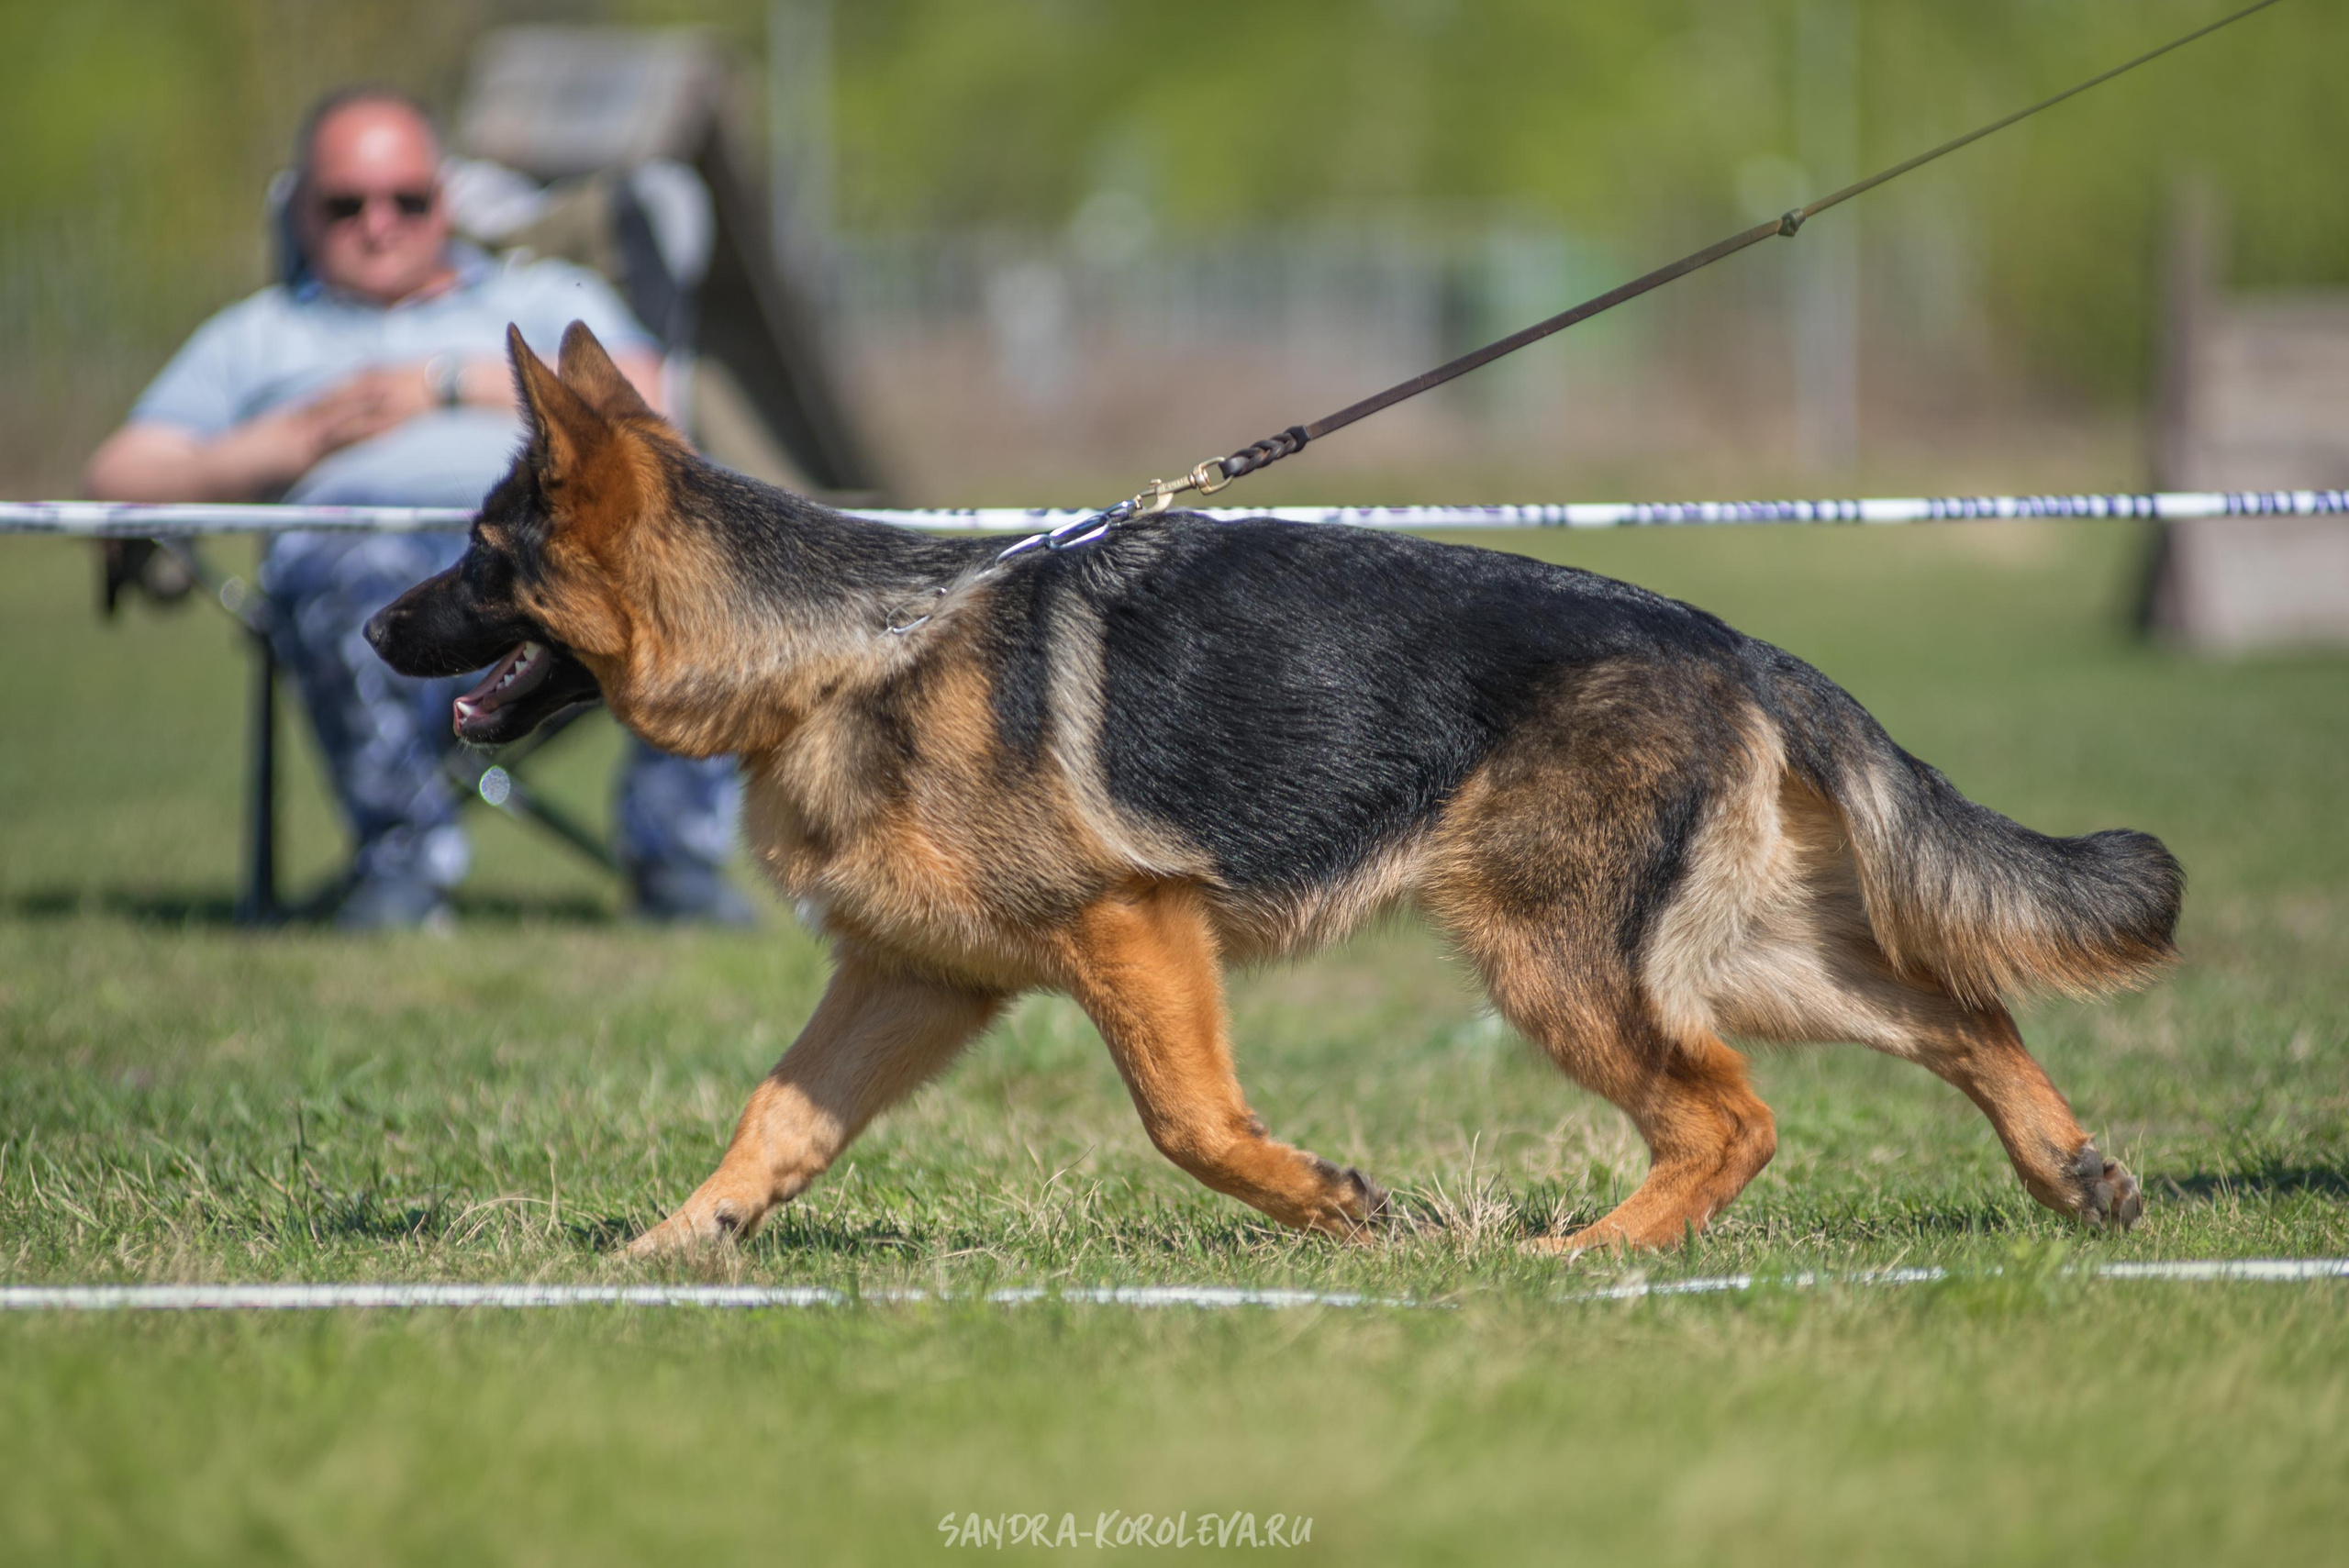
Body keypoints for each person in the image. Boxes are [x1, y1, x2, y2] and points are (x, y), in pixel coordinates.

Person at [83, 87, 752, 929]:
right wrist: (283, 443)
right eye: (345, 204)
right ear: (300, 213)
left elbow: (651, 407)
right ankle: (400, 863)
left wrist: (440, 384)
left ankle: (677, 862)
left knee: (680, 560)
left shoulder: (536, 296)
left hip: (551, 564)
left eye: (409, 198)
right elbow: (115, 469)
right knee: (346, 565)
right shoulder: (258, 335)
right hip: (363, 564)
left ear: (447, 200)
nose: (380, 223)